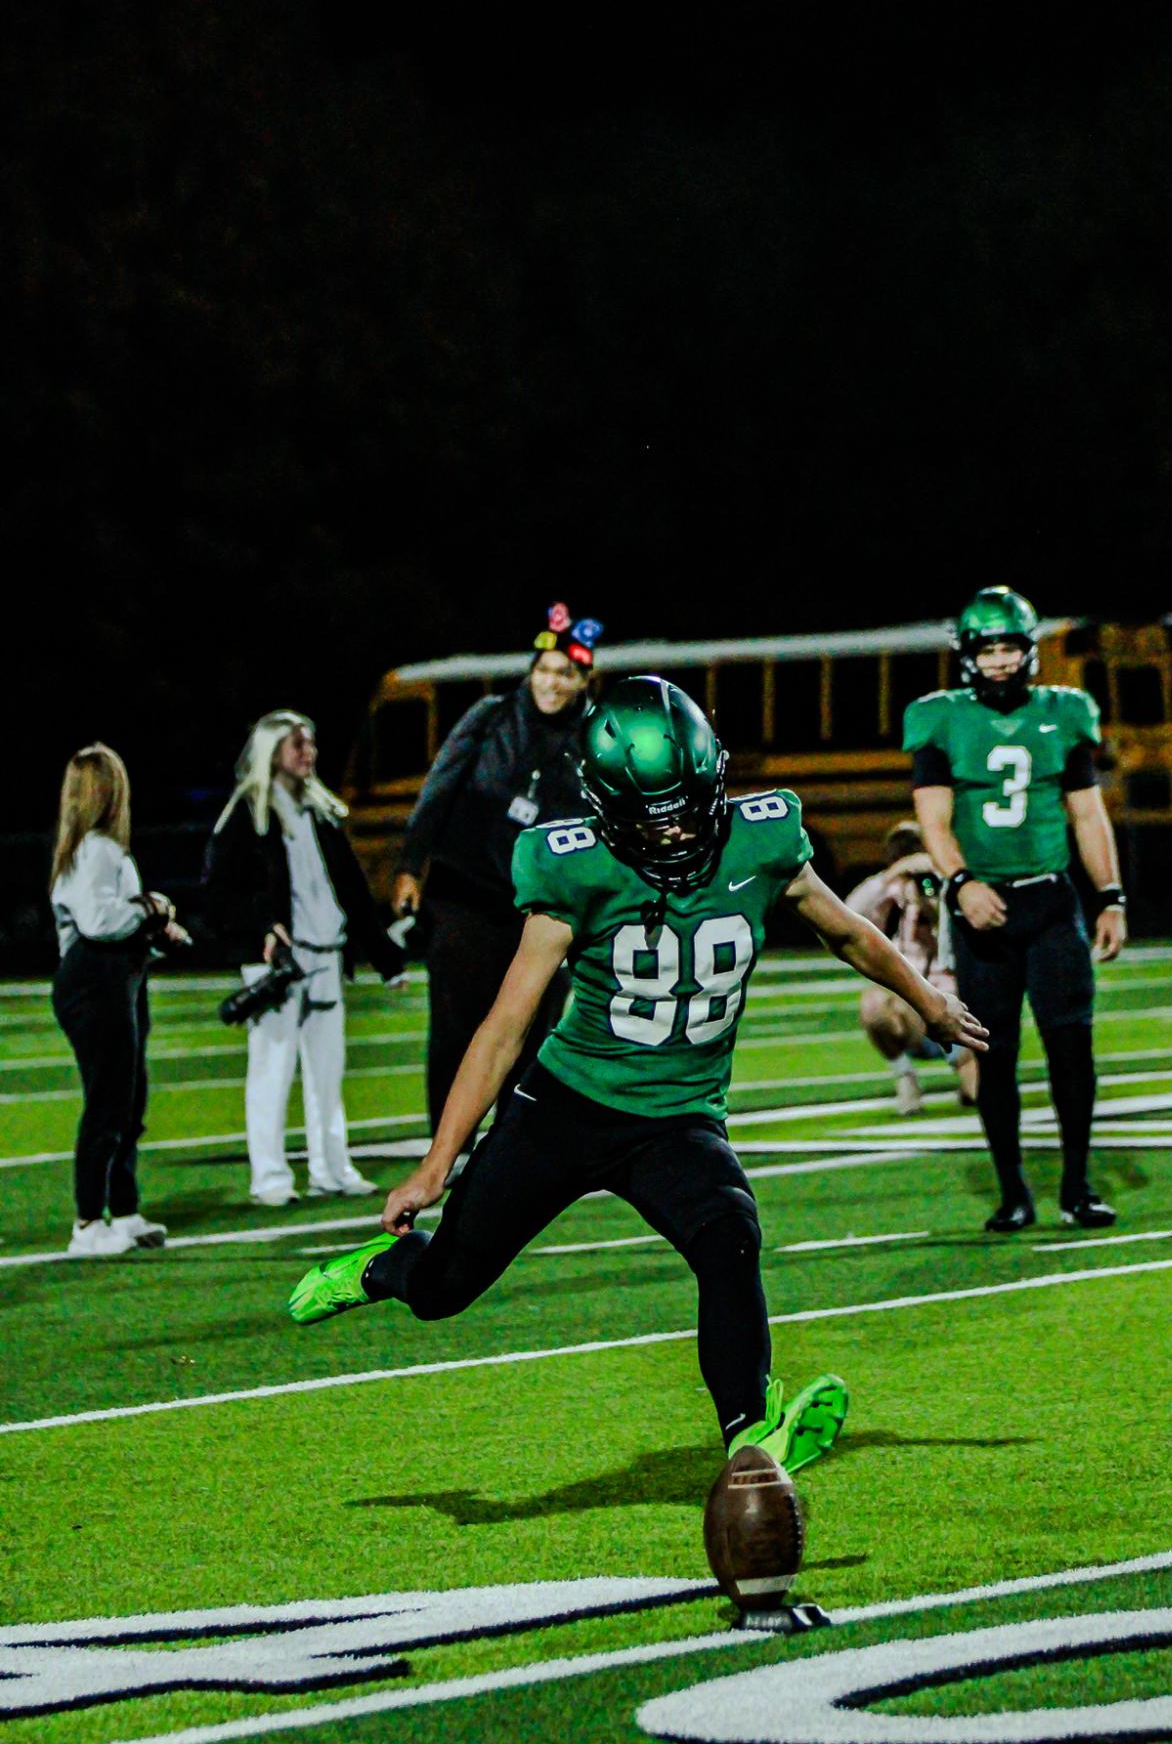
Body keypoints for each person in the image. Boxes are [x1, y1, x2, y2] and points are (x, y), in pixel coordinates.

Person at [287, 676, 988, 1475]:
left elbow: (851, 933)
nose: (680, 829)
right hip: (565, 1107)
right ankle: (376, 1273)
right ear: (605, 806)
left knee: (729, 1233)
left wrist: (928, 1000)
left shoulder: (761, 840)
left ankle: (751, 1431)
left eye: (690, 803)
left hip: (677, 1116)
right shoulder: (575, 866)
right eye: (653, 817)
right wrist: (435, 1164)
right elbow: (504, 1027)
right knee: (447, 1286)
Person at [905, 586, 1128, 1233]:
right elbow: (933, 820)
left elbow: (1088, 814)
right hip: (982, 906)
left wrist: (1110, 895)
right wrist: (962, 882)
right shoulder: (940, 720)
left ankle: (1078, 1185)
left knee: (1071, 1045)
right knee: (993, 1051)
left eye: (1009, 647)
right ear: (968, 654)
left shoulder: (1064, 713)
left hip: (1051, 899)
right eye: (988, 648)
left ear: (1029, 650)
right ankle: (1012, 1191)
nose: (1000, 660)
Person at [391, 604, 600, 1134]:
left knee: (534, 1029)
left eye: (565, 674)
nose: (551, 683)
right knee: (457, 1024)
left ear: (584, 681)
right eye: (544, 670)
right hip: (465, 895)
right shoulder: (489, 717)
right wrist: (412, 866)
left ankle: (516, 1140)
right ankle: (448, 1137)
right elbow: (439, 789)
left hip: (541, 908)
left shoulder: (595, 738)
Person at [204, 710, 407, 1208]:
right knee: (272, 1070)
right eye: (296, 743)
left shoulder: (319, 812)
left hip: (326, 957)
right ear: (271, 750)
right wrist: (261, 927)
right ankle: (270, 1177)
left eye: (310, 743)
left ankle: (332, 1168)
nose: (307, 752)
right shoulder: (248, 812)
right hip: (279, 963)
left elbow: (352, 894)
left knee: (327, 1070)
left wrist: (387, 959)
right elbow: (218, 893)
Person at [49, 743, 188, 1257]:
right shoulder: (96, 849)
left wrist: (154, 929)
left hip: (113, 977)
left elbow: (111, 920)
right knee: (108, 1102)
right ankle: (87, 1223)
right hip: (95, 981)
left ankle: (124, 1211)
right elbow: (100, 922)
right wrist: (151, 907)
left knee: (129, 1100)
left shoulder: (99, 848)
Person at [845, 820, 980, 1115]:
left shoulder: (959, 884)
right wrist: (890, 879)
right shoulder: (895, 893)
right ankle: (904, 1075)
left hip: (966, 1008)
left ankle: (969, 1070)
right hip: (918, 1010)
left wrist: (939, 878)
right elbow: (848, 914)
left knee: (979, 1096)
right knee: (874, 1004)